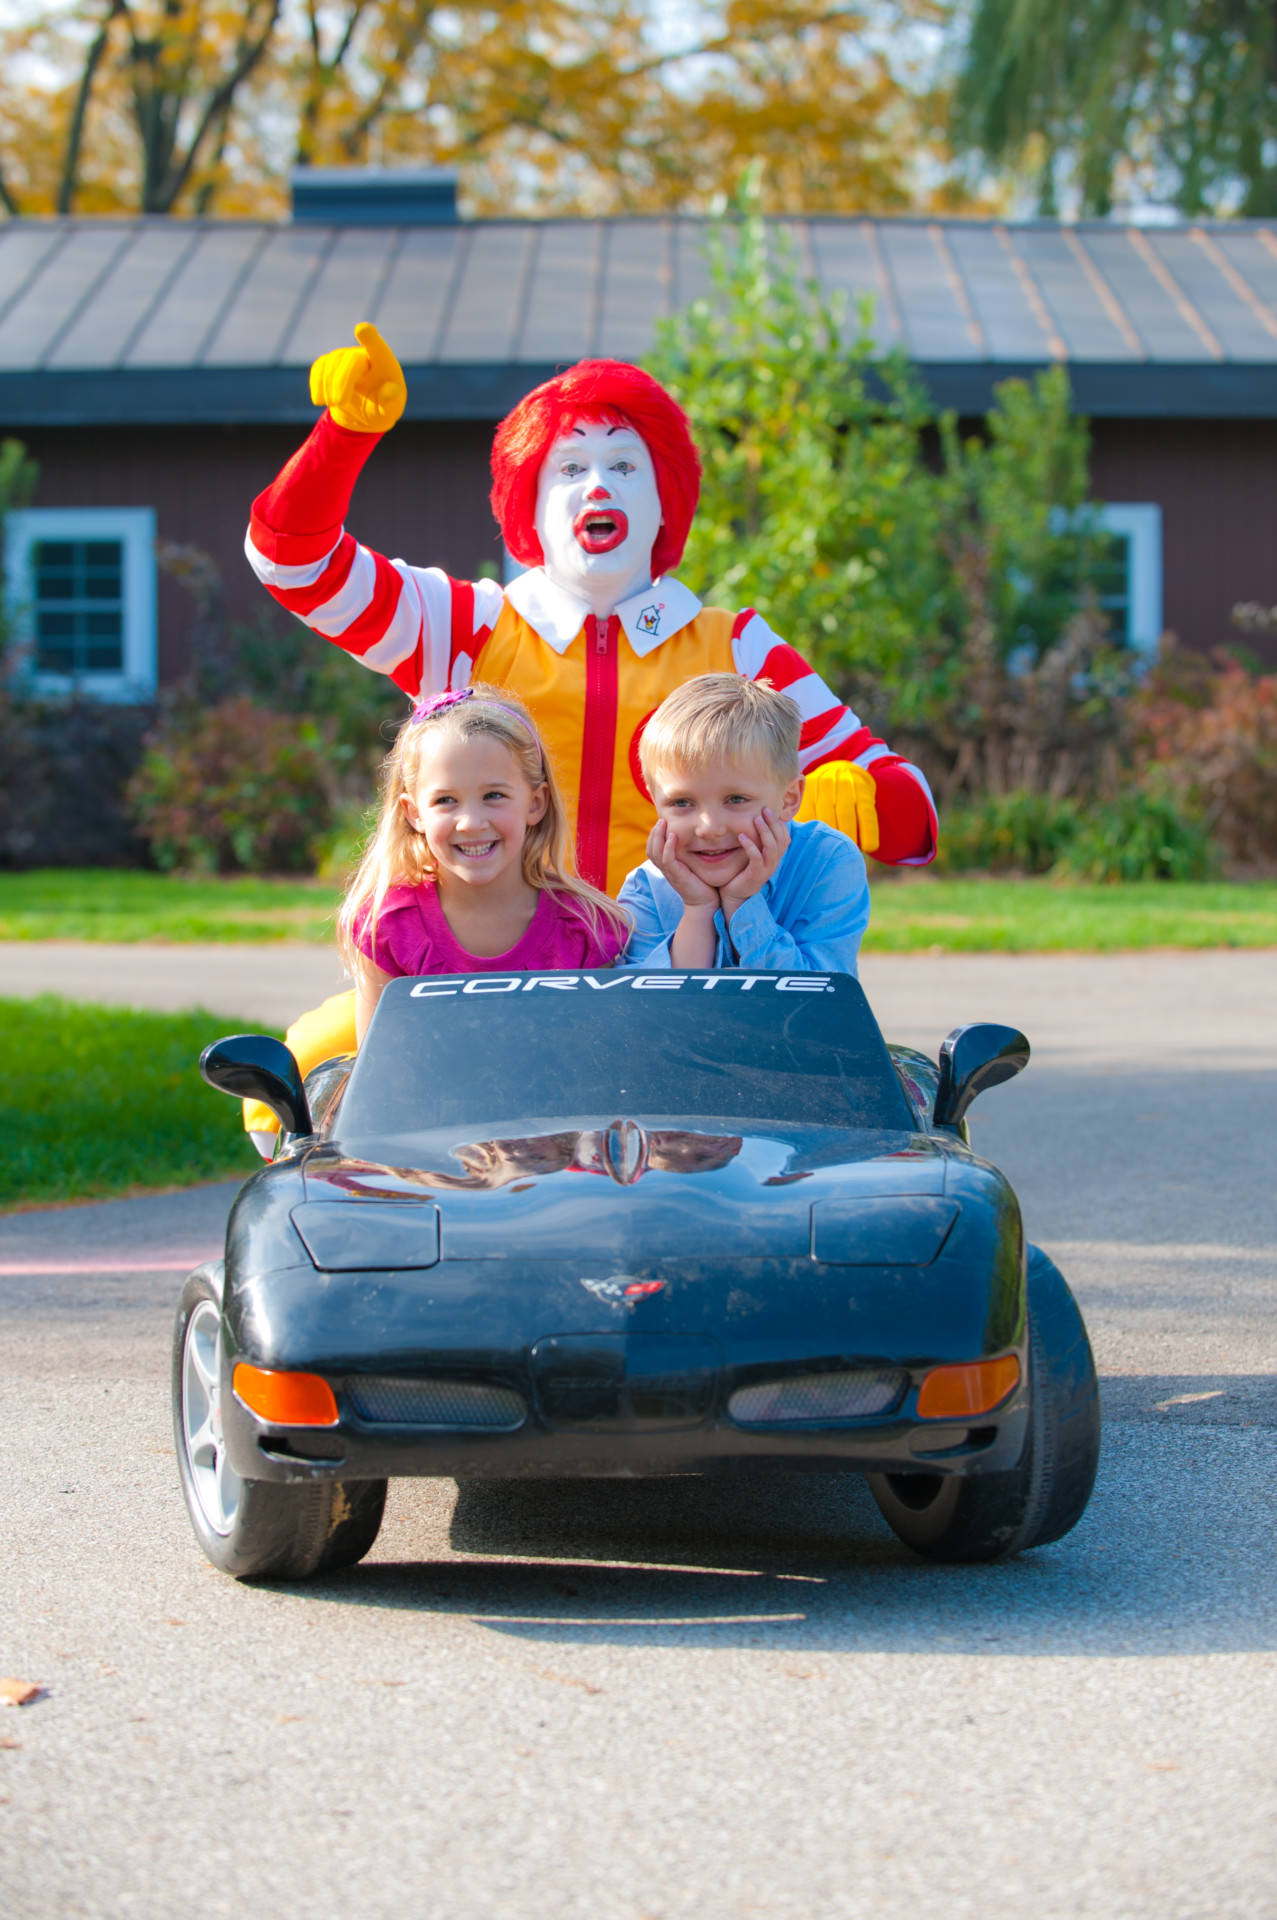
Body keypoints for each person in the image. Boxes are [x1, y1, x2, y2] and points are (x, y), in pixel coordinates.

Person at [242, 324, 935, 1123]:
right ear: (528, 501)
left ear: (662, 497)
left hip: (684, 967)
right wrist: (344, 436)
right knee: (291, 1088)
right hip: (500, 962)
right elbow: (293, 560)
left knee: (886, 1103)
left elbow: (911, 810)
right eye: (568, 467)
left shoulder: (732, 644)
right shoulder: (467, 622)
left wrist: (861, 794)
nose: (596, 485)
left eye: (623, 464)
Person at [243, 684, 627, 1153]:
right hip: (428, 1160)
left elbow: (605, 1083)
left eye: (494, 795)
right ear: (413, 813)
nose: (470, 821)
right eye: (446, 800)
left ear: (536, 803)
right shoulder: (388, 925)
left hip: (558, 1159)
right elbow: (383, 1078)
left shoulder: (587, 928)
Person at [619, 674, 869, 975]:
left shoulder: (827, 860)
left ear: (789, 799)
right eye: (682, 803)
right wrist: (698, 910)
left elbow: (815, 1004)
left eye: (736, 799)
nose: (709, 828)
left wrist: (742, 903)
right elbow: (655, 1013)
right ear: (656, 803)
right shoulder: (648, 886)